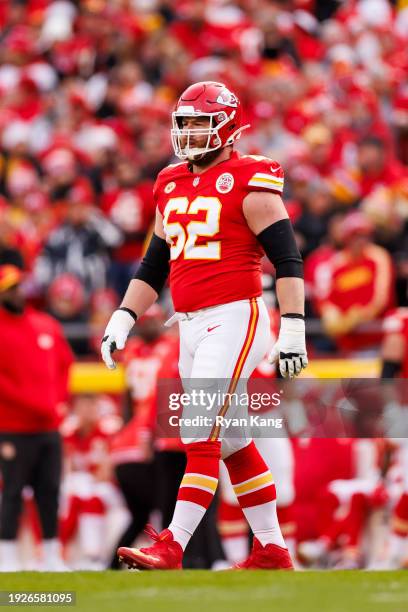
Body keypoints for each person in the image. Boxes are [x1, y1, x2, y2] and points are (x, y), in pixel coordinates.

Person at [101, 81, 308, 570]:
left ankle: (173, 543)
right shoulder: (169, 181)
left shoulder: (250, 176)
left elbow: (288, 260)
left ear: (230, 126)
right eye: (186, 123)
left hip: (236, 313)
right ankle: (273, 550)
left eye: (201, 122)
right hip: (189, 324)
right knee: (233, 441)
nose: (191, 133)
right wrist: (123, 316)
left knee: (197, 432)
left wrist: (294, 328)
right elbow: (154, 265)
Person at [0, 264, 73, 571]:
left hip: (48, 427)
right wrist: (36, 403)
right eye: (10, 289)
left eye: (18, 287)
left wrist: (56, 402)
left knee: (49, 491)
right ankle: (7, 556)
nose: (17, 293)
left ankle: (52, 555)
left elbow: (64, 364)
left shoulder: (45, 324)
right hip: (13, 426)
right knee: (13, 491)